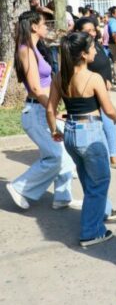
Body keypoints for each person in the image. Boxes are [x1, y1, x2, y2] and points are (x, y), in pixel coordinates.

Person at [46, 32, 116, 246]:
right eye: (92, 48)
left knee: (88, 179)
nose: (95, 51)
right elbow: (108, 109)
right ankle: (91, 232)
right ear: (83, 54)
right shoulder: (93, 78)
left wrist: (55, 129)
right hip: (89, 132)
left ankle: (100, 214)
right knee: (99, 182)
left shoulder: (59, 76)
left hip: (71, 132)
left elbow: (51, 108)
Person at [5, 11, 78, 211]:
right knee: (54, 156)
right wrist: (51, 109)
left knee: (66, 153)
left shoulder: (35, 48)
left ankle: (63, 196)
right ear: (35, 27)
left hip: (42, 109)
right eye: (44, 24)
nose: (47, 27)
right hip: (37, 112)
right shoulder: (26, 50)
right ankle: (20, 187)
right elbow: (36, 88)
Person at [75, 18, 116, 171]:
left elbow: (104, 63)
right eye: (88, 31)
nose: (92, 33)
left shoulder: (94, 44)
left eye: (93, 29)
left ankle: (112, 157)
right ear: (79, 32)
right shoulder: (79, 50)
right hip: (90, 93)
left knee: (108, 126)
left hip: (102, 89)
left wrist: (108, 79)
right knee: (99, 125)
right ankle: (81, 163)